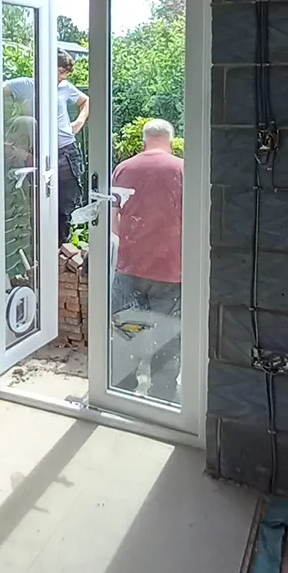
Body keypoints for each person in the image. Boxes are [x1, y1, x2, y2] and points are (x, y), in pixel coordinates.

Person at [110, 119, 183, 402]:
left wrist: (132, 243)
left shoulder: (124, 169)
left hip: (131, 266)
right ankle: (161, 398)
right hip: (171, 269)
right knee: (168, 338)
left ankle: (121, 392)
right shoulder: (182, 169)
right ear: (171, 141)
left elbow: (114, 219)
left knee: (127, 333)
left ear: (144, 141)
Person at [3, 50, 89, 240]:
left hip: (66, 152)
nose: (63, 77)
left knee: (65, 205)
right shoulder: (27, 85)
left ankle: (61, 247)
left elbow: (85, 101)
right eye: (60, 72)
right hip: (39, 153)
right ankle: (40, 249)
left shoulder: (65, 87)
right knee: (39, 203)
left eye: (66, 73)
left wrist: (79, 122)